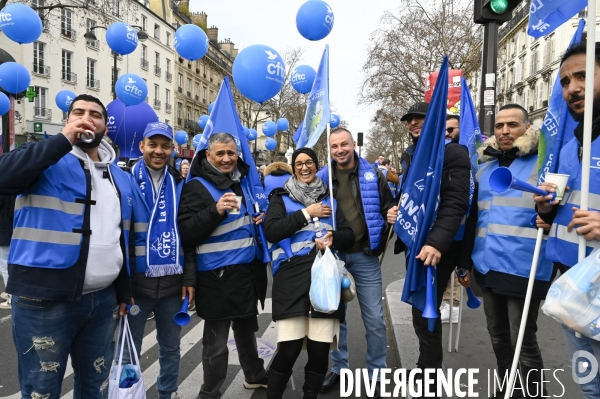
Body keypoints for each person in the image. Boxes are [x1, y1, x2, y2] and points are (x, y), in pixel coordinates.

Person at [0, 94, 146, 399]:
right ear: (67, 121)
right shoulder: (43, 157)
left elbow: (117, 237)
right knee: (42, 390)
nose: (86, 118)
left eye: (95, 114)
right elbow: (5, 176)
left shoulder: (119, 176)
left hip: (103, 301)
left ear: (106, 126)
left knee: (96, 387)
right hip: (44, 300)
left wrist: (123, 291)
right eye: (78, 112)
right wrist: (63, 140)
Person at [460, 104, 552, 398]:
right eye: (499, 125)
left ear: (527, 127)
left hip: (524, 266)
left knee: (524, 342)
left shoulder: (544, 163)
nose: (504, 131)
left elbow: (559, 209)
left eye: (512, 125)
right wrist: (465, 263)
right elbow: (475, 218)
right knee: (498, 337)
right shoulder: (485, 167)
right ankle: (507, 390)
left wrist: (549, 218)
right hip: (487, 266)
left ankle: (536, 394)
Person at [387, 101, 471, 397]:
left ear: (435, 120)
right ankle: (426, 371)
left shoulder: (451, 151)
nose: (413, 124)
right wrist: (396, 211)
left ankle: (429, 380)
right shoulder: (413, 155)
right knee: (421, 313)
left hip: (440, 248)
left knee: (426, 314)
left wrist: (436, 242)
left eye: (419, 119)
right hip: (418, 246)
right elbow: (411, 196)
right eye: (409, 120)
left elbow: (455, 202)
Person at [178, 132, 269, 398]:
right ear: (208, 155)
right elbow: (185, 232)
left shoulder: (242, 182)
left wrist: (257, 218)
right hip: (217, 277)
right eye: (220, 153)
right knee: (216, 344)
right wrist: (215, 211)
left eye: (231, 153)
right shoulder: (196, 186)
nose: (227, 158)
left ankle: (254, 375)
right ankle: (210, 392)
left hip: (246, 273)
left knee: (247, 331)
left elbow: (241, 219)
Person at [535, 42, 600, 399]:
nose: (571, 87)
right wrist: (545, 207)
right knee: (589, 385)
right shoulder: (569, 143)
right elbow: (558, 207)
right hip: (572, 285)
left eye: (582, 76)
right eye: (564, 81)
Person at [264, 147, 355, 399]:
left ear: (317, 165)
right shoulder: (279, 197)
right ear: (293, 167)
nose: (304, 167)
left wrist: (333, 237)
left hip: (325, 282)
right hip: (292, 280)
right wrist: (307, 213)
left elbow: (349, 236)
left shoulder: (331, 199)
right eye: (299, 163)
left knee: (318, 351)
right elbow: (271, 231)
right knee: (289, 350)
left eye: (310, 162)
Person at [317, 128, 394, 398]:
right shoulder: (323, 176)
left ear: (353, 145)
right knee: (338, 320)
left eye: (344, 144)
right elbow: (302, 205)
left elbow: (387, 207)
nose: (340, 150)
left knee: (374, 319)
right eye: (334, 146)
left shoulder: (374, 174)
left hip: (365, 256)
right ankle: (339, 368)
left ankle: (377, 371)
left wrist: (390, 217)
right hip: (334, 257)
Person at [127, 122, 194, 399]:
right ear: (142, 146)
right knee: (129, 349)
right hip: (135, 285)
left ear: (172, 149)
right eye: (152, 144)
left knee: (170, 347)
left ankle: (168, 392)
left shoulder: (180, 184)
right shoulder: (124, 180)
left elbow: (188, 235)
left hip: (171, 283)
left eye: (165, 146)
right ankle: (129, 393)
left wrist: (189, 277)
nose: (158, 151)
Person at [440, 114, 464, 323]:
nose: (447, 134)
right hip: (445, 229)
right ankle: (448, 303)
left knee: (455, 274)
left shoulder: (464, 154)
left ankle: (453, 305)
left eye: (451, 130)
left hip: (461, 231)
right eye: (444, 130)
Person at [0, 194, 14, 310]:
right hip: (9, 228)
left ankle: (11, 298)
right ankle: (10, 293)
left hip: (4, 230)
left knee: (5, 265)